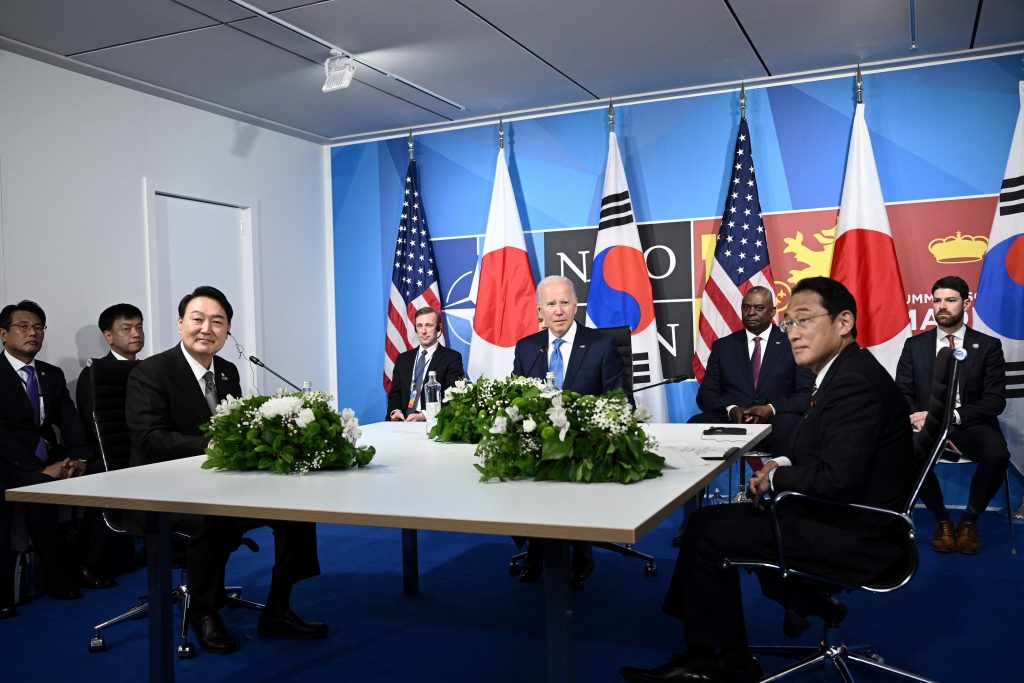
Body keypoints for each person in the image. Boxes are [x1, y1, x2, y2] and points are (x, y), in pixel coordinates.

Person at [620, 277, 913, 683]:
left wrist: (776, 479)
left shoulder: (854, 381)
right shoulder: (843, 371)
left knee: (705, 535)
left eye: (804, 320)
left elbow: (836, 478)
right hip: (843, 515)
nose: (792, 332)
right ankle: (722, 647)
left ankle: (720, 662)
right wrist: (781, 466)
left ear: (844, 322)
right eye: (790, 322)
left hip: (857, 534)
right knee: (705, 525)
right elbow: (826, 452)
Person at [126, 286, 326, 653]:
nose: (207, 329)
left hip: (220, 482)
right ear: (180, 323)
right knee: (211, 519)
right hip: (162, 490)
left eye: (217, 321)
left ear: (228, 329)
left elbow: (234, 427)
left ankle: (279, 607)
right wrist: (212, 446)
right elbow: (150, 440)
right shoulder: (151, 373)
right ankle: (205, 611)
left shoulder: (228, 371)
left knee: (298, 509)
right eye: (197, 319)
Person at [511, 275, 627, 588]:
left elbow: (620, 400)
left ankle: (582, 548)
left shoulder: (602, 345)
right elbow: (516, 399)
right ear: (540, 310)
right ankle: (535, 545)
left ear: (576, 306)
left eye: (564, 302)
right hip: (540, 440)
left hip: (587, 440)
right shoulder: (527, 348)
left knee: (569, 463)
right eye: (551, 304)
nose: (558, 310)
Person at [895, 275, 1009, 555]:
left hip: (969, 422)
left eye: (950, 300)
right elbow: (902, 391)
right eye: (937, 300)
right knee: (906, 456)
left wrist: (954, 416)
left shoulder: (988, 346)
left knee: (998, 456)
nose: (942, 306)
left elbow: (995, 400)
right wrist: (914, 415)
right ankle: (941, 519)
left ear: (966, 303)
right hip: (926, 425)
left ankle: (970, 520)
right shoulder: (915, 345)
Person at [0, 300, 93, 616]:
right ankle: (47, 581)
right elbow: (2, 435)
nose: (33, 333)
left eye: (38, 327)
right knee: (40, 489)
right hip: (9, 461)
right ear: (3, 334)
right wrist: (39, 467)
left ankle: (90, 564)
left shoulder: (50, 375)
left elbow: (70, 419)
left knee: (102, 474)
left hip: (49, 456)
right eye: (23, 326)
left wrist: (78, 457)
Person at [689, 286, 814, 459]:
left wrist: (771, 409)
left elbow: (805, 395)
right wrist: (731, 409)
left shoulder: (794, 344)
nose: (751, 313)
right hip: (733, 422)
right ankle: (696, 486)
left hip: (775, 423)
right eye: (746, 308)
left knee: (790, 425)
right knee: (696, 424)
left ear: (772, 312)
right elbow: (706, 394)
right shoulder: (723, 347)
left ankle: (779, 482)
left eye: (759, 308)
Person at [73, 303, 147, 587]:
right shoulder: (94, 374)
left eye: (139, 326)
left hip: (144, 449)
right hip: (110, 453)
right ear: (108, 336)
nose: (136, 334)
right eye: (126, 328)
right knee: (107, 474)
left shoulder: (148, 369)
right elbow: (94, 425)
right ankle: (90, 561)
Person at [387, 306, 464, 421]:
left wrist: (425, 415)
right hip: (402, 421)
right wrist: (395, 411)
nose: (423, 331)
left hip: (430, 422)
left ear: (438, 328)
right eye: (419, 326)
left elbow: (452, 396)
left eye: (428, 325)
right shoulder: (403, 359)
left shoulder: (452, 358)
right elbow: (395, 393)